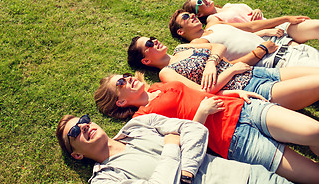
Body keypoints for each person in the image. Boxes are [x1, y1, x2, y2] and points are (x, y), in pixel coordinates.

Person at [93, 73, 319, 183]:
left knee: (314, 131)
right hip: (233, 141)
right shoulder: (142, 120)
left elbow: (200, 91)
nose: (127, 79)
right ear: (120, 102)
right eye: (120, 84)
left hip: (243, 108)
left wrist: (232, 93)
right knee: (313, 175)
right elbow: (180, 144)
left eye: (123, 76)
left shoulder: (160, 85)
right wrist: (201, 114)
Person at [56, 113, 295, 183]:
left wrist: (186, 174)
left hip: (248, 177)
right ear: (77, 154)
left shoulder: (138, 124)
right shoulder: (104, 180)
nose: (84, 126)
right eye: (75, 132)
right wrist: (172, 146)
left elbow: (194, 130)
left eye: (83, 120)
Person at [126, 36, 319, 110]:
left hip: (258, 72)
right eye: (149, 44)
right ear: (146, 60)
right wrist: (231, 70)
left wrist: (212, 62)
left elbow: (219, 46)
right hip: (249, 88)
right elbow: (203, 92)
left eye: (151, 38)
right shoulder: (167, 73)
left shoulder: (182, 47)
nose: (154, 41)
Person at [169, 10, 319, 68]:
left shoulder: (215, 24)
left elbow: (252, 27)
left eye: (192, 14)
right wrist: (261, 51)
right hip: (279, 61)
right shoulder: (198, 44)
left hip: (291, 48)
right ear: (180, 31)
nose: (193, 16)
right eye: (186, 17)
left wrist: (285, 18)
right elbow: (226, 67)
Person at [182, 0, 319, 44]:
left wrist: (256, 11)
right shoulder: (213, 21)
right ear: (199, 15)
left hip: (278, 26)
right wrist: (285, 18)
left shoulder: (229, 6)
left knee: (316, 27)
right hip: (269, 37)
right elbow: (247, 29)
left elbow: (250, 17)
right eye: (199, 3)